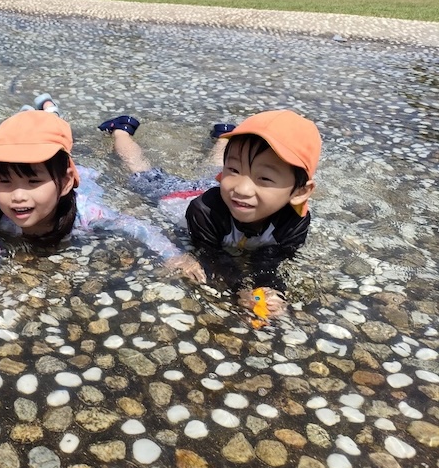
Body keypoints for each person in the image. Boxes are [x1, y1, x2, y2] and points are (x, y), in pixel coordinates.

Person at [0, 96, 186, 282]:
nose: (17, 195)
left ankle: (59, 115)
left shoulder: (87, 214)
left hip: (81, 174)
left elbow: (139, 227)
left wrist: (173, 256)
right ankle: (37, 115)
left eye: (33, 182)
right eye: (5, 181)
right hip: (50, 170)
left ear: (66, 183)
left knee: (69, 148)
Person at [99, 110, 322, 320]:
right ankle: (121, 130)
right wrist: (241, 290)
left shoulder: (296, 221)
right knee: (140, 172)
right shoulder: (205, 211)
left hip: (214, 186)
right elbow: (212, 255)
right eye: (234, 169)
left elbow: (273, 258)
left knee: (214, 169)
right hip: (178, 195)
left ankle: (222, 138)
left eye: (264, 178)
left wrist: (272, 291)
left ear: (300, 192)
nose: (242, 189)